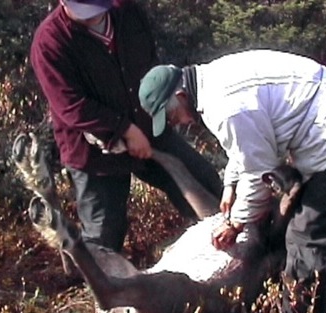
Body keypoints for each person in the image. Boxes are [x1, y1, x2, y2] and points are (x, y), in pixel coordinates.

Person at [137, 49, 326, 313]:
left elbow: (259, 170)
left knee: (307, 240)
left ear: (181, 96)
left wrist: (235, 223)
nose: (177, 124)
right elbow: (247, 144)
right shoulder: (213, 80)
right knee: (306, 229)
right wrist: (231, 184)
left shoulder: (224, 107)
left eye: (172, 116)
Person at [30, 0, 222, 253]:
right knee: (104, 233)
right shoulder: (49, 43)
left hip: (151, 127)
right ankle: (105, 288)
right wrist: (124, 130)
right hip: (94, 153)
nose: (92, 17)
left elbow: (150, 61)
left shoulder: (128, 12)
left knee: (206, 185)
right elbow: (71, 105)